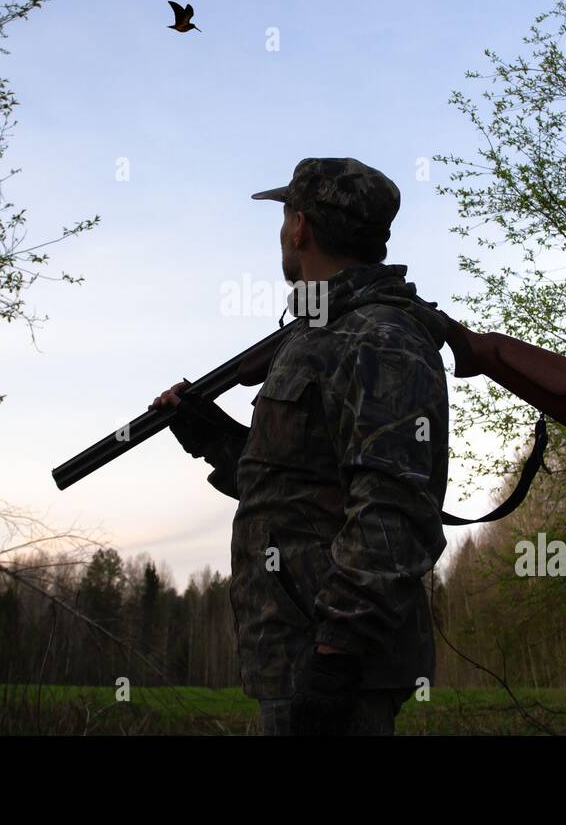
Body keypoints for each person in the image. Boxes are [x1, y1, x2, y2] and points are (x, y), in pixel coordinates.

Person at [149, 158, 449, 735]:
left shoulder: (380, 335)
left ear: (300, 229)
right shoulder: (318, 335)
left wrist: (335, 656)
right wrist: (212, 437)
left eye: (286, 216)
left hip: (335, 667)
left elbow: (395, 512)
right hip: (293, 653)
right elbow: (295, 492)